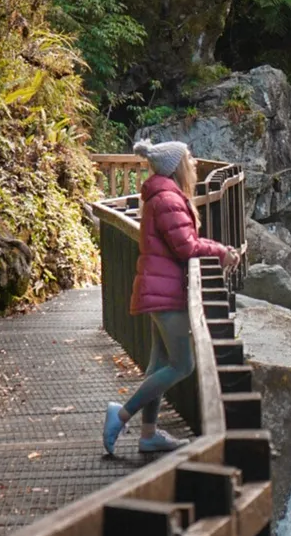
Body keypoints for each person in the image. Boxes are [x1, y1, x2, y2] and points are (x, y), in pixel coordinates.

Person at [103, 139, 241, 456]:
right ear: (177, 166)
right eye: (189, 158)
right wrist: (221, 251)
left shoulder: (164, 195)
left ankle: (148, 435)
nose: (193, 163)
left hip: (162, 288)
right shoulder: (167, 198)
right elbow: (186, 246)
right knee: (183, 365)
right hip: (166, 294)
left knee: (160, 364)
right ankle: (120, 415)